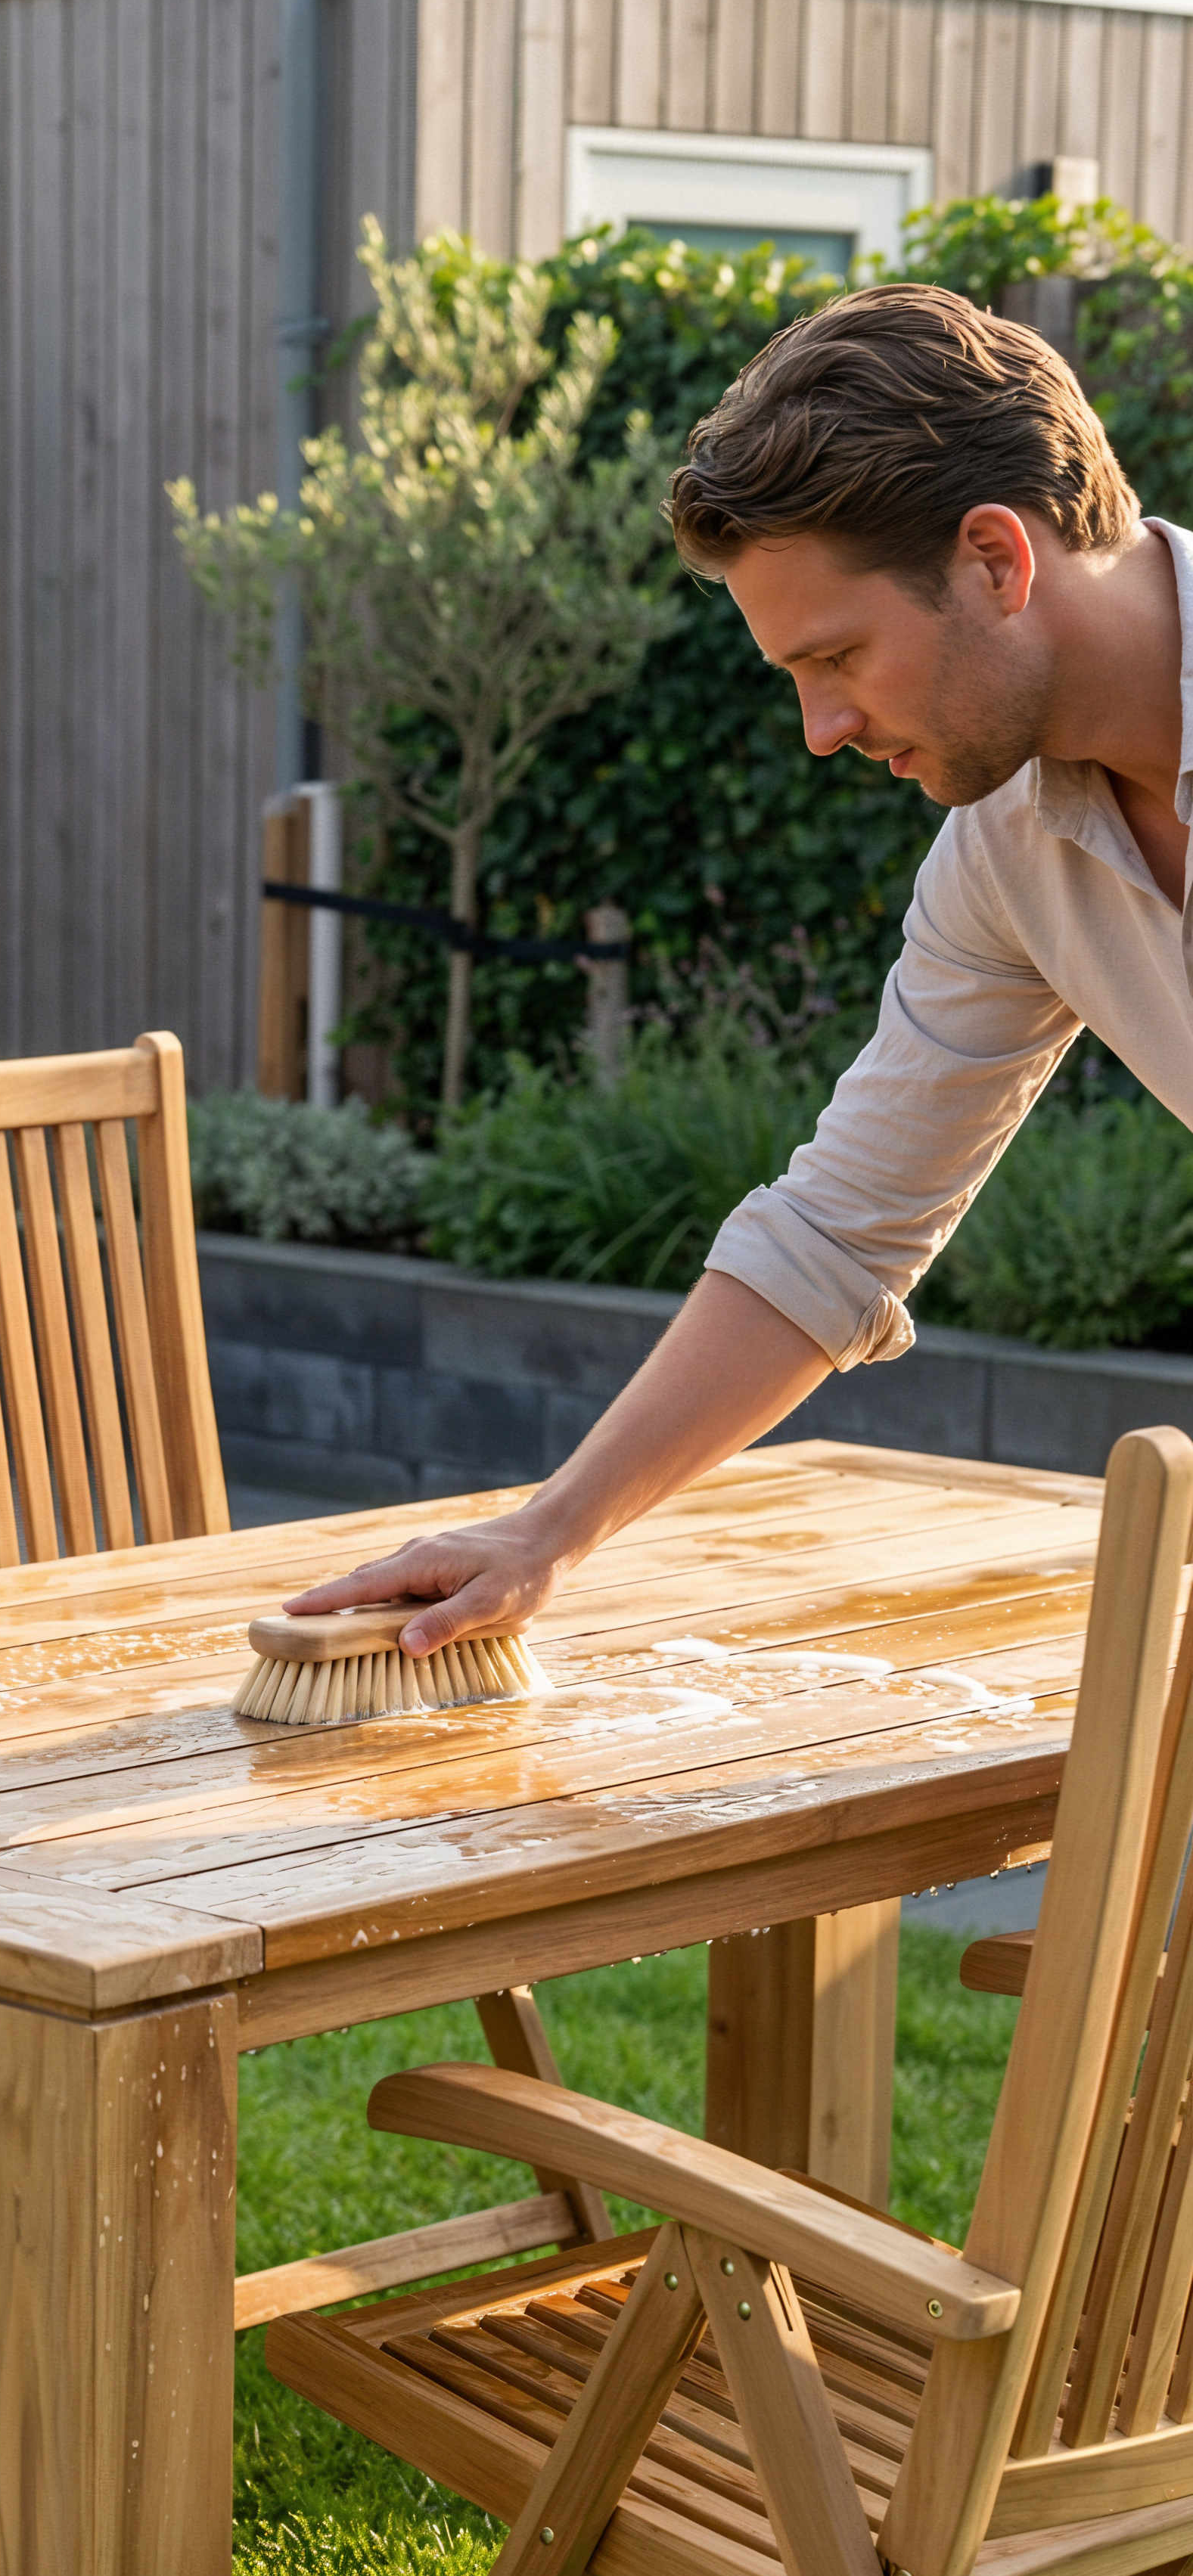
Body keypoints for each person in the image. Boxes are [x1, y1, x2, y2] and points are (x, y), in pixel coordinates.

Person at [287, 276, 1193, 1655]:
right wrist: (547, 1533)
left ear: (997, 562)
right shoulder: (1010, 848)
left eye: (836, 656)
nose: (822, 730)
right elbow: (837, 1232)